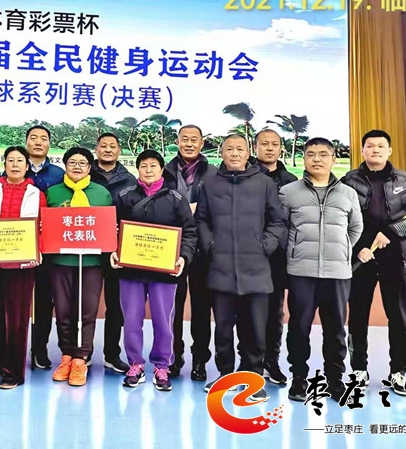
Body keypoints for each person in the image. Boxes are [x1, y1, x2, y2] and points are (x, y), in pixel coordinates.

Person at [196, 135, 285, 399]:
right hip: (220, 269)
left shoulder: (264, 183)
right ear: (221, 153)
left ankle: (253, 378)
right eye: (229, 149)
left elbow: (277, 221)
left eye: (239, 149)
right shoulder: (210, 184)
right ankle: (225, 375)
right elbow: (201, 219)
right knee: (223, 329)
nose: (234, 154)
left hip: (256, 269)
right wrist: (211, 245)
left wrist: (265, 245)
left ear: (248, 153)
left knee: (254, 330)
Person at [341, 130, 406, 396]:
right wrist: (358, 247)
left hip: (396, 257)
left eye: (381, 146)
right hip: (362, 258)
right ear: (362, 150)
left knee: (398, 317)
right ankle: (358, 369)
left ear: (389, 150)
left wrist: (392, 231)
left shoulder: (405, 180)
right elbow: (340, 218)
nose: (376, 150)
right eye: (370, 146)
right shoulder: (348, 181)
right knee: (357, 316)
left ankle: (398, 372)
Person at [280, 138, 363, 403]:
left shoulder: (348, 193)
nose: (317, 159)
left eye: (323, 154)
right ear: (304, 158)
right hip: (301, 272)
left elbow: (355, 228)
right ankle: (299, 379)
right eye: (311, 154)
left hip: (338, 273)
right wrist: (295, 251)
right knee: (299, 328)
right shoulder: (288, 192)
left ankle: (335, 381)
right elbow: (282, 229)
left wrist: (341, 250)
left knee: (336, 330)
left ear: (333, 159)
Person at [111, 149, 197, 392]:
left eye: (153, 166)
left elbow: (190, 232)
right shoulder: (124, 196)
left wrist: (183, 257)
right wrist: (114, 251)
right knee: (131, 320)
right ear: (137, 169)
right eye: (144, 166)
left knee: (163, 321)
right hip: (130, 271)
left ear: (161, 169)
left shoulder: (176, 198)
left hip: (164, 273)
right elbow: (112, 229)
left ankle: (162, 366)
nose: (148, 170)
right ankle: (135, 364)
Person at [0, 146, 46, 389]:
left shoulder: (36, 194)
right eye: (10, 160)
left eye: (20, 161)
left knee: (17, 316)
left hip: (22, 264)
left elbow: (42, 226)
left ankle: (14, 370)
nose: (15, 165)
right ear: (4, 164)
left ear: (27, 166)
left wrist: (36, 251)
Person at [46, 147, 113, 387]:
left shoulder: (101, 193)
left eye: (82, 163)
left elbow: (109, 227)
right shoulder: (53, 192)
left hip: (91, 263)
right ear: (64, 166)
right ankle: (66, 355)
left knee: (87, 311)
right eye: (72, 162)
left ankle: (81, 358)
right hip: (60, 262)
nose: (77, 167)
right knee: (63, 311)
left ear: (89, 167)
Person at [163, 124, 213, 381]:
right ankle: (174, 356)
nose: (190, 143)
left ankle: (200, 359)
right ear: (178, 141)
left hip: (203, 248)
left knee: (202, 307)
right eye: (185, 139)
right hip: (171, 248)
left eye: (195, 139)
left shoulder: (214, 173)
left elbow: (221, 206)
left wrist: (198, 210)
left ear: (202, 143)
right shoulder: (165, 171)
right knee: (173, 306)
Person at [254, 128, 298, 386]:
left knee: (275, 311)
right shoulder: (245, 175)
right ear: (255, 147)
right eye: (264, 144)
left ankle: (272, 360)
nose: (269, 148)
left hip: (279, 257)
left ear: (281, 148)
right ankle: (251, 362)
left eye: (274, 144)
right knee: (248, 311)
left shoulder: (291, 181)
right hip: (248, 254)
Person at [90, 132, 136, 374]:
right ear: (96, 149)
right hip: (87, 249)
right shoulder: (85, 175)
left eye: (112, 146)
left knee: (115, 306)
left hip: (117, 252)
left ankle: (111, 354)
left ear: (119, 151)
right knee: (84, 303)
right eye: (103, 145)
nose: (108, 149)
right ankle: (82, 353)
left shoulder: (130, 180)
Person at [24, 125, 65, 370]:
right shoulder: (15, 168)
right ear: (26, 142)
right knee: (19, 299)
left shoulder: (59, 174)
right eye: (33, 138)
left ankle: (40, 348)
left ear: (49, 144)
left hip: (49, 248)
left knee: (44, 300)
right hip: (18, 246)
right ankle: (14, 349)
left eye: (43, 138)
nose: (38, 142)